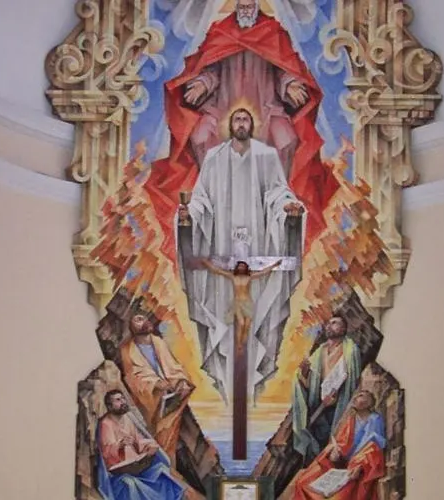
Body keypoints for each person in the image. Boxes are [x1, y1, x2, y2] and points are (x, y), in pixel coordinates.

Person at [145, 0, 339, 263]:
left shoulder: (273, 32)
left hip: (266, 107)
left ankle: (277, 204)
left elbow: (283, 70)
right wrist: (202, 84)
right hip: (224, 107)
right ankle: (211, 200)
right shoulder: (221, 31)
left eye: (250, 3)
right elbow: (210, 69)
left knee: (287, 139)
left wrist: (290, 85)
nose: (246, 8)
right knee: (200, 135)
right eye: (242, 3)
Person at [177, 108, 302, 404]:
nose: (242, 124)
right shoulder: (214, 158)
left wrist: (287, 208)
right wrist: (189, 214)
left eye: (246, 119)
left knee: (259, 321)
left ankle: (253, 385)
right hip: (220, 246)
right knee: (223, 321)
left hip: (261, 244)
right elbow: (202, 199)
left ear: (253, 125)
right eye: (237, 119)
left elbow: (278, 193)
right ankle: (228, 386)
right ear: (229, 125)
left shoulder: (267, 157)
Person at [118, 314, 194, 459]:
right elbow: (133, 378)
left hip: (171, 400)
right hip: (151, 403)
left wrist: (181, 382)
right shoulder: (127, 350)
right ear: (131, 327)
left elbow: (173, 367)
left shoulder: (159, 342)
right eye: (138, 319)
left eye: (144, 318)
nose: (144, 321)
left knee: (171, 440)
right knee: (156, 439)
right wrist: (156, 383)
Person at [293, 390, 387, 500]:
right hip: (341, 465)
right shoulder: (351, 419)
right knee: (303, 483)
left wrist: (360, 465)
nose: (355, 398)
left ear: (369, 402)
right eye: (356, 395)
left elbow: (373, 446)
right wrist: (335, 452)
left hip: (360, 468)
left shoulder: (374, 419)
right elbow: (341, 443)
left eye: (361, 396)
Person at [291, 315, 362, 460]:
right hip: (319, 406)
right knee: (316, 441)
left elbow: (352, 381)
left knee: (334, 440)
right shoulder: (320, 351)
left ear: (343, 328)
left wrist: (335, 399)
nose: (329, 326)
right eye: (328, 323)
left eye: (334, 323)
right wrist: (304, 372)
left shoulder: (350, 350)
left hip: (338, 406)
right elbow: (310, 382)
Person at [95, 390, 185, 500]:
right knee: (130, 484)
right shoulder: (105, 424)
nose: (123, 402)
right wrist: (120, 445)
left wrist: (149, 447)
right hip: (119, 474)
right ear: (109, 406)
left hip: (137, 467)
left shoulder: (127, 418)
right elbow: (106, 452)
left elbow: (138, 440)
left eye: (123, 398)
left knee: (162, 472)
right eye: (118, 400)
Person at [201, 259, 282, 357]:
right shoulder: (232, 276)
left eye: (243, 266)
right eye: (239, 266)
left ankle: (242, 344)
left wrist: (274, 265)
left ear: (246, 268)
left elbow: (263, 272)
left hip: (248, 303)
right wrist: (206, 263)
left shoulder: (249, 277)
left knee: (247, 326)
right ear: (237, 267)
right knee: (241, 323)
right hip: (237, 303)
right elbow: (217, 270)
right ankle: (239, 344)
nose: (241, 268)